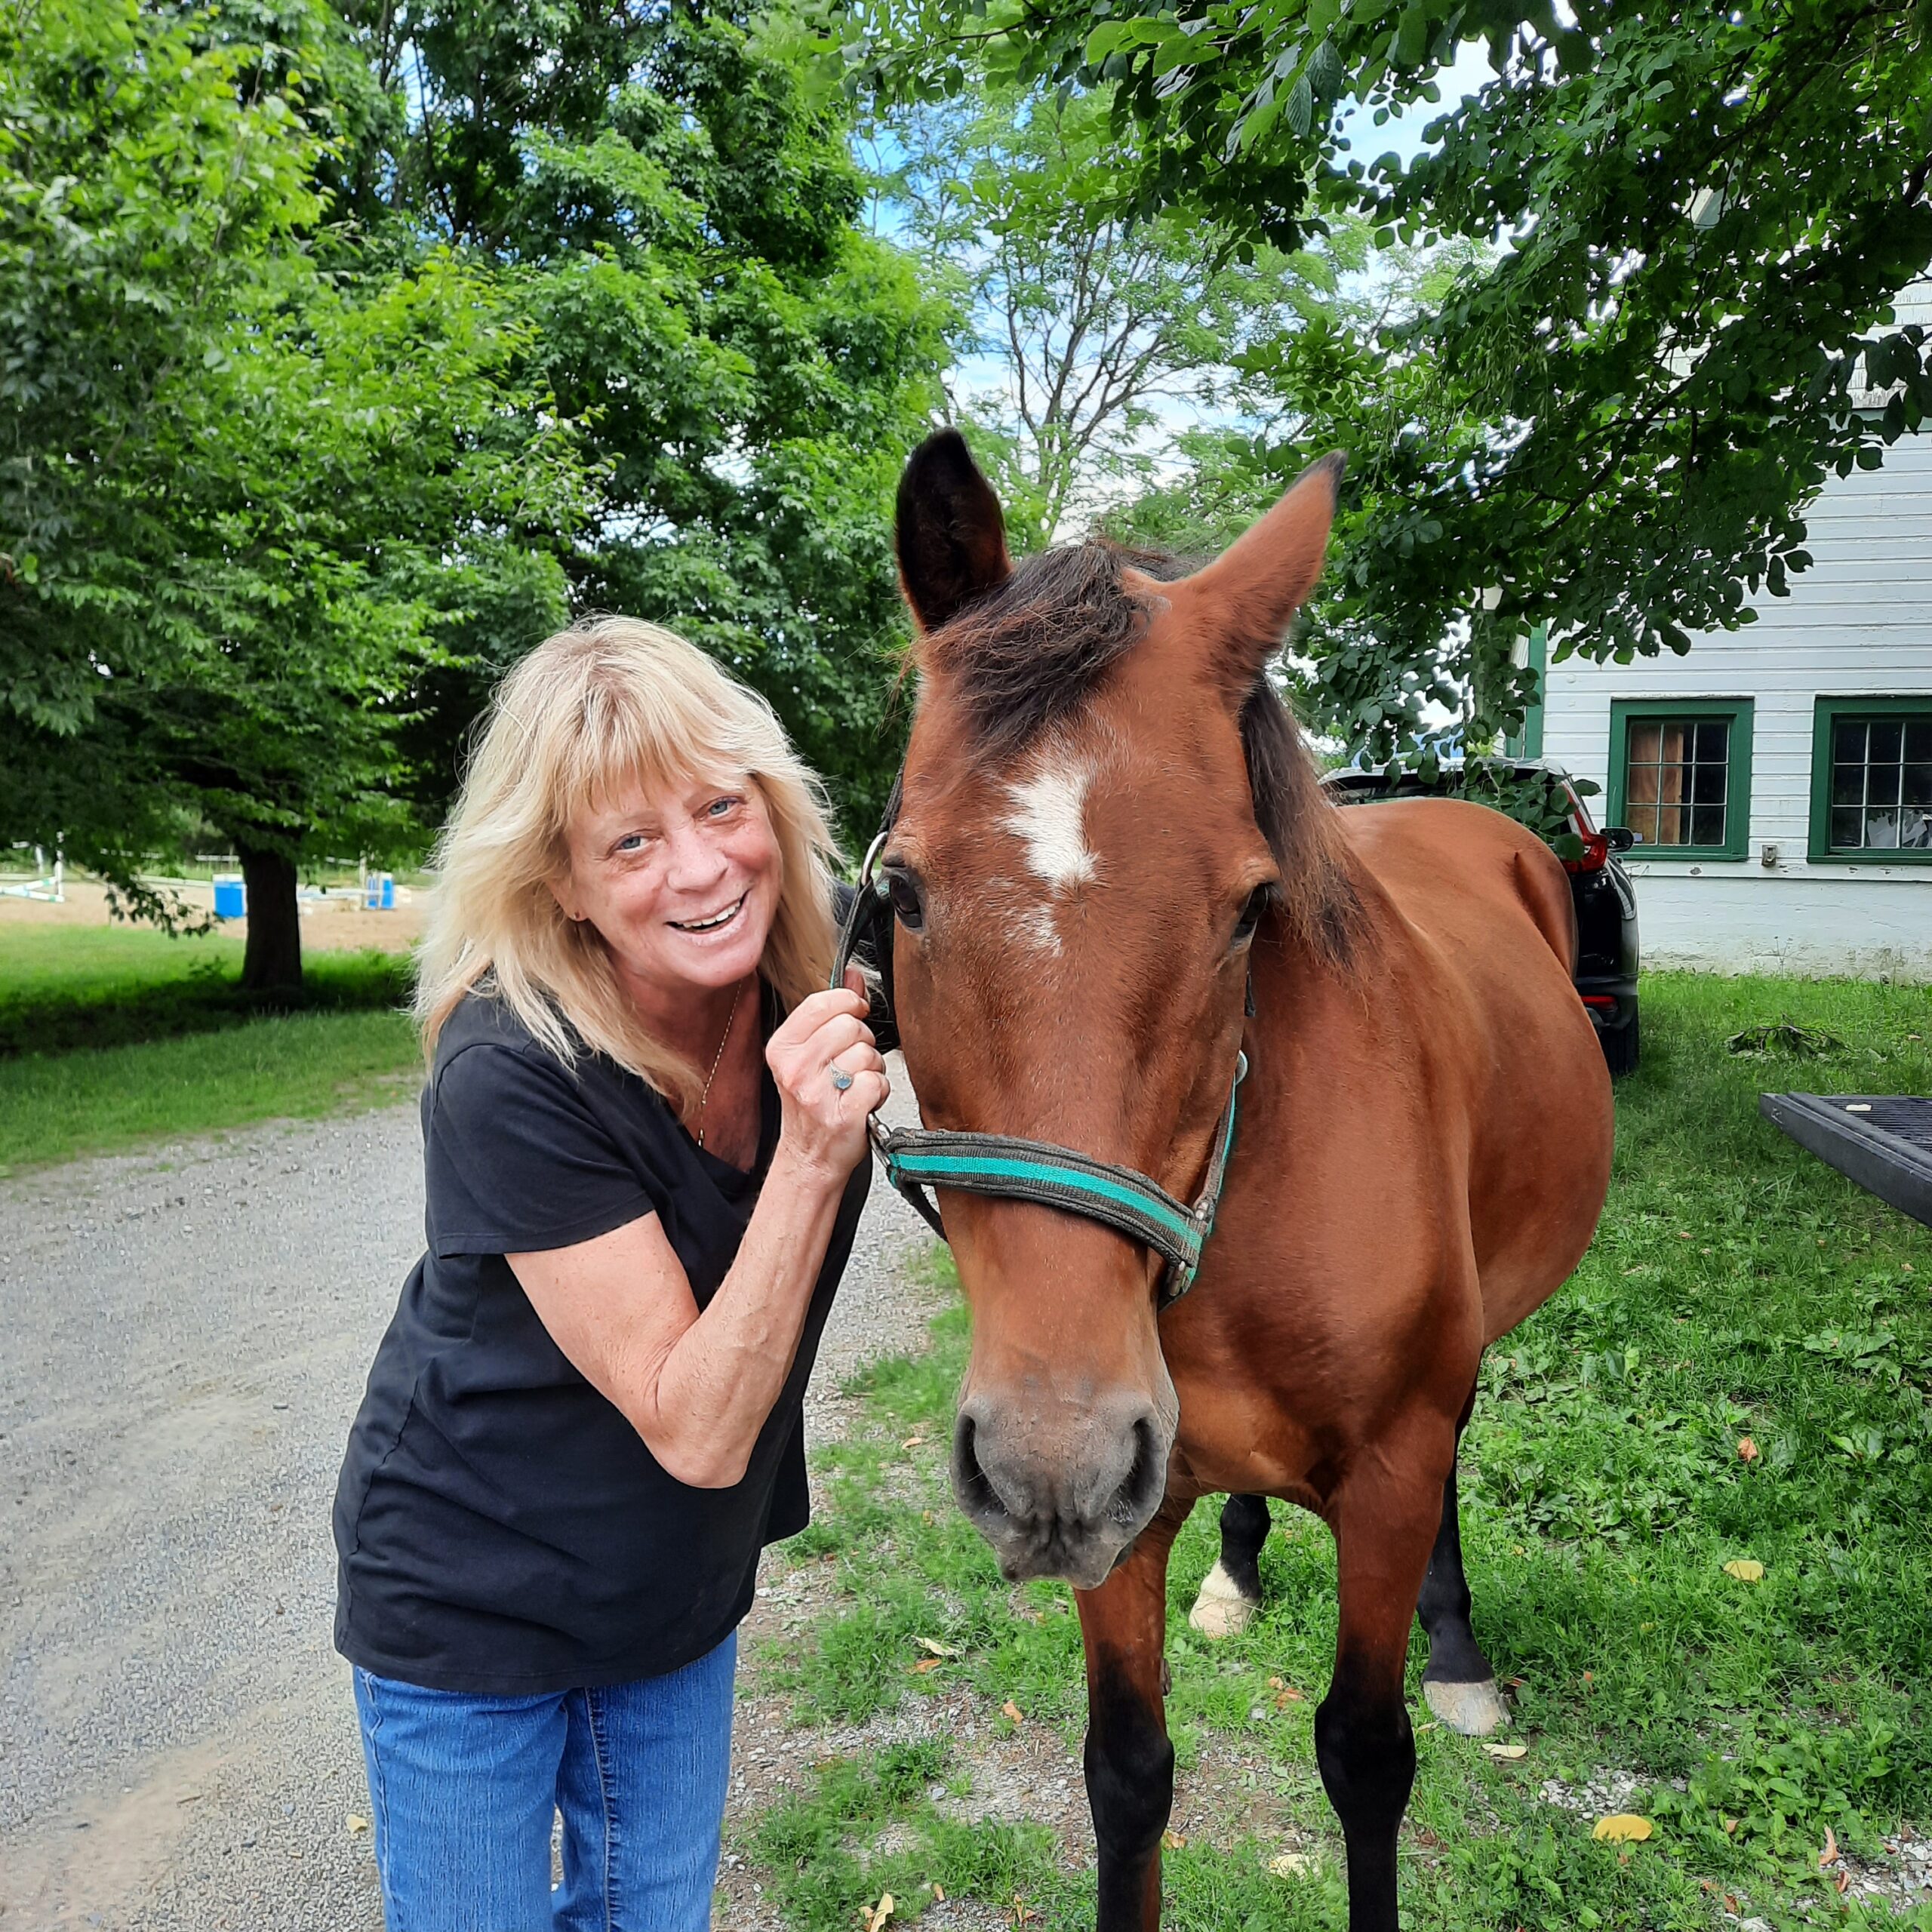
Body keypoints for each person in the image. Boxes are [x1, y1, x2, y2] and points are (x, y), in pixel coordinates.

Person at [331, 616, 888, 1930]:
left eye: (718, 804)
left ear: (774, 807)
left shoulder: (814, 985)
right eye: (629, 841)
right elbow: (696, 1427)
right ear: (563, 884)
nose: (700, 868)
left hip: (671, 1585)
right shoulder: (508, 1070)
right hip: (470, 1598)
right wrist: (811, 1158)